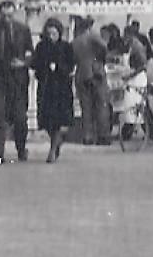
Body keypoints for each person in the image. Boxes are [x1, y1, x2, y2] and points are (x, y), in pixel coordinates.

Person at [0, 0, 34, 165]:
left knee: (19, 118)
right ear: (0, 14)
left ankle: (21, 148)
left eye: (10, 15)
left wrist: (24, 63)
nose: (7, 19)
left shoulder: (23, 30)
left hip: (17, 80)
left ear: (14, 14)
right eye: (4, 16)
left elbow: (30, 52)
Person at [32, 18, 76, 163]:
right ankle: (55, 144)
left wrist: (58, 67)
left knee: (58, 120)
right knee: (47, 121)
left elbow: (71, 66)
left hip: (61, 89)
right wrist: (44, 69)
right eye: (49, 33)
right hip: (46, 88)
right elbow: (36, 64)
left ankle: (52, 149)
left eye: (54, 33)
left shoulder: (66, 47)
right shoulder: (41, 47)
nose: (51, 36)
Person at [72, 17, 110, 145]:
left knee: (86, 107)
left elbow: (73, 58)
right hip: (96, 72)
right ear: (89, 26)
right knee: (101, 105)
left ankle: (87, 136)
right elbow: (105, 48)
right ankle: (103, 135)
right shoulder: (94, 37)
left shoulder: (75, 41)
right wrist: (100, 60)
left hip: (81, 74)